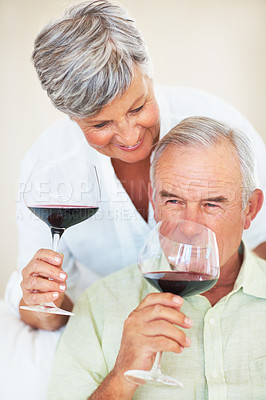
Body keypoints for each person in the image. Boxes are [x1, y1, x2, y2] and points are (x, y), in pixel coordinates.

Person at [5, 0, 266, 333]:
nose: (129, 137)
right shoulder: (50, 165)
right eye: (100, 125)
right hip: (110, 331)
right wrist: (43, 302)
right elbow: (46, 311)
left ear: (149, 73)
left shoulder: (224, 130)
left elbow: (262, 246)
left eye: (138, 107)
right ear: (71, 117)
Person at [46, 116, 266, 400]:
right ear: (154, 201)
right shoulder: (100, 304)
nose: (189, 226)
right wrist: (122, 375)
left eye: (212, 204)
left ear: (249, 209)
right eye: (173, 201)